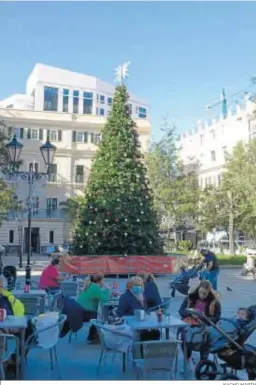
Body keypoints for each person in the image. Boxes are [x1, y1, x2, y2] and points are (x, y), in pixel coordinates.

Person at [179, 280, 221, 369]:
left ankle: (203, 363)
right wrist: (189, 313)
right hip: (189, 323)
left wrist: (204, 317)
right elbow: (181, 311)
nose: (201, 295)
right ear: (198, 290)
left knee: (205, 340)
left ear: (209, 292)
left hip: (204, 326)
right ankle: (188, 358)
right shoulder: (191, 297)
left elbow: (216, 317)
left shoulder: (214, 302)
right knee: (184, 337)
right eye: (200, 292)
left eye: (204, 294)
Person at [61, 273, 110, 343]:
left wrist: (104, 291)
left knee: (96, 314)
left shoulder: (91, 285)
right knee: (98, 317)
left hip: (77, 309)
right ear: (99, 281)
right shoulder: (95, 288)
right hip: (82, 311)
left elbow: (99, 294)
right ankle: (94, 337)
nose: (104, 281)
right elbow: (105, 299)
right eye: (103, 280)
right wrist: (108, 289)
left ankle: (93, 336)